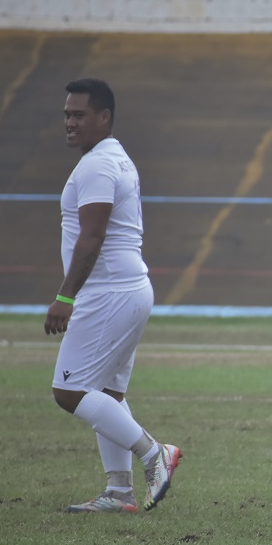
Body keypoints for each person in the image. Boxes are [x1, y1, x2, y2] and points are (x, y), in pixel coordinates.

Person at [45, 78, 182, 515]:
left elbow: (92, 236)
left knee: (69, 391)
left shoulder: (98, 167)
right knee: (107, 392)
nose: (69, 122)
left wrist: (65, 298)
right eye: (67, 114)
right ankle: (119, 492)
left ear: (104, 117)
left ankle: (152, 452)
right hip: (128, 290)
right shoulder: (114, 158)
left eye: (79, 114)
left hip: (109, 295)